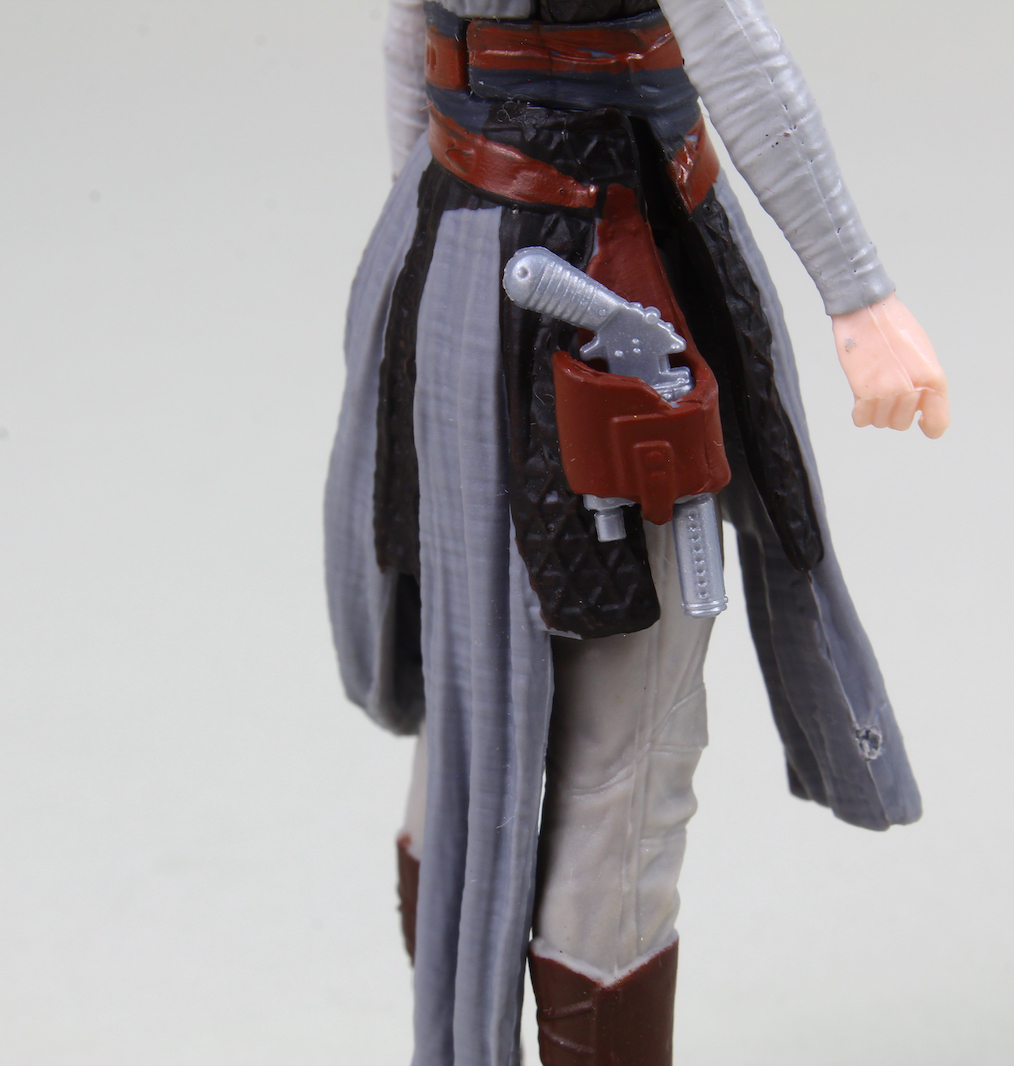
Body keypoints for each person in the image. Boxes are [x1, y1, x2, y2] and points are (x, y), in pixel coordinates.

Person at [323, 2, 949, 1063]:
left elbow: (411, 40)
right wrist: (862, 298)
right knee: (622, 757)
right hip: (601, 280)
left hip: (456, 258)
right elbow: (728, 39)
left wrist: (437, 242)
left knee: (482, 708)